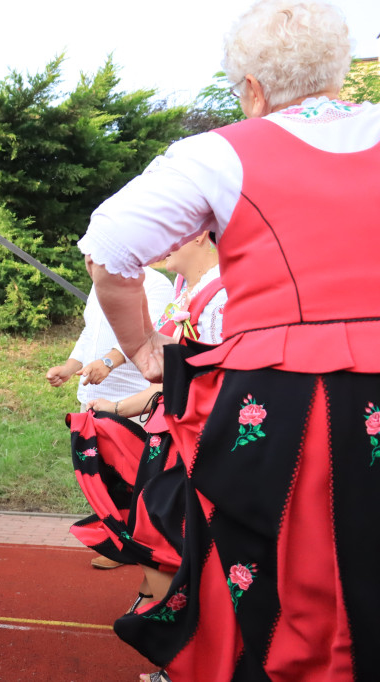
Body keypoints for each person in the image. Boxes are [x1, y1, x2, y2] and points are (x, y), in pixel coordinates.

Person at [78, 2, 380, 679]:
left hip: (291, 400)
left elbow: (107, 250)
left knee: (295, 588)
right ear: (340, 73)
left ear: (251, 87)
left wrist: (145, 351)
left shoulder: (220, 153)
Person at [68, 233, 225, 615]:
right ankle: (162, 612)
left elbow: (214, 380)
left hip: (196, 440)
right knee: (154, 523)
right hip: (170, 431)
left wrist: (119, 391)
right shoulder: (186, 290)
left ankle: (180, 633)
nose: (163, 241)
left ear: (203, 233)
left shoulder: (221, 296)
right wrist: (117, 408)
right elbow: (166, 367)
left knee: (163, 527)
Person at [47, 265, 172, 569]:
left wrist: (107, 362)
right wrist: (68, 367)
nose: (92, 259)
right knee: (102, 477)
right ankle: (118, 541)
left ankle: (142, 548)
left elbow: (149, 335)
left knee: (133, 479)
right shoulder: (100, 282)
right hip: (92, 397)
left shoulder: (155, 283)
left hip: (133, 399)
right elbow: (91, 332)